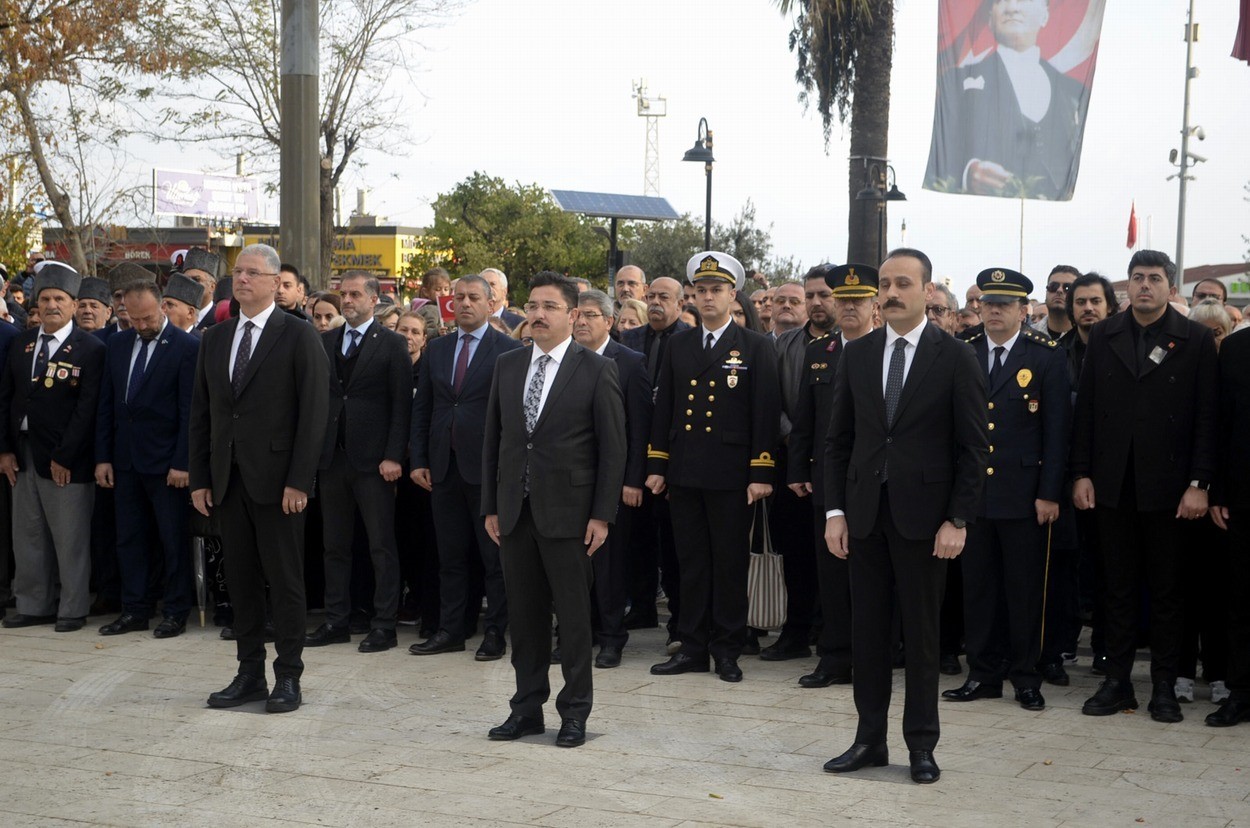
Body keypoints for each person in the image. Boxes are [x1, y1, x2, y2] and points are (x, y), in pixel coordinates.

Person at [822, 247, 988, 785]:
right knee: (866, 635)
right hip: (865, 516)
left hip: (926, 521)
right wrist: (835, 511)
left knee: (920, 638)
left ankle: (921, 744)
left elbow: (974, 448)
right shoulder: (859, 353)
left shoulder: (956, 356)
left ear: (927, 291)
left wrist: (957, 519)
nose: (890, 293)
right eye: (885, 284)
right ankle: (869, 739)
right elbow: (838, 442)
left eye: (903, 284)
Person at [1071, 249, 1219, 723]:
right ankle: (1116, 683)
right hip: (1113, 483)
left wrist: (1199, 483)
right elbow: (1087, 411)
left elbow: (1206, 418)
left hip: (1171, 488)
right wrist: (1081, 473)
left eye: (1155, 278)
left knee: (1168, 588)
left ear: (1171, 288)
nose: (1145, 286)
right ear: (1127, 286)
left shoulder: (1193, 339)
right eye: (1137, 278)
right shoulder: (1104, 336)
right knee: (1116, 586)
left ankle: (1163, 686)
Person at [482, 272, 626, 748]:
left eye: (549, 306)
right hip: (515, 512)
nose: (538, 314)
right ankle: (525, 709)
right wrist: (491, 506)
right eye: (532, 305)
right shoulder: (507, 365)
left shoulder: (596, 368)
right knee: (523, 619)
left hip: (570, 514)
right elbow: (495, 442)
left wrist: (602, 514)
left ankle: (575, 712)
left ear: (573, 314)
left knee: (574, 618)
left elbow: (613, 448)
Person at [190, 244, 329, 714]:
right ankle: (248, 672)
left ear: (275, 281)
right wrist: (201, 478)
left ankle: (288, 675)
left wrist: (300, 480)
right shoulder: (215, 338)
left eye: (252, 273)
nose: (242, 279)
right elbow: (203, 414)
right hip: (228, 481)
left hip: (278, 483)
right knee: (242, 581)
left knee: (285, 580)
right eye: (238, 272)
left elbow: (313, 414)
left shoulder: (298, 335)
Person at [646, 251, 781, 684]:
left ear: (732, 294)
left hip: (731, 473)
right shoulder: (678, 343)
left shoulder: (755, 346)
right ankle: (691, 647)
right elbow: (664, 406)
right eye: (700, 290)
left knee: (728, 563)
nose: (707, 297)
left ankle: (727, 648)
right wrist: (657, 464)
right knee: (691, 563)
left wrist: (761, 471)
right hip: (685, 468)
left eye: (716, 290)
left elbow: (765, 412)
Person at [942, 268, 1068, 712]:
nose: (993, 310)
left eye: (1005, 304)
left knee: (1023, 589)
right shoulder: (965, 352)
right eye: (988, 303)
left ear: (1023, 310)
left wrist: (1049, 492)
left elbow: (1057, 433)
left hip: (1024, 494)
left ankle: (1025, 676)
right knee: (977, 589)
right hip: (974, 495)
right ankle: (982, 673)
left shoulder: (1046, 357)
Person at [409, 274, 522, 659]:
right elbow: (423, 407)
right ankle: (451, 630)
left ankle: (495, 633)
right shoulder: (437, 349)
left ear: (492, 304)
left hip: (489, 471)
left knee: (494, 558)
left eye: (474, 297)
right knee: (450, 555)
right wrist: (419, 459)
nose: (466, 303)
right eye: (459, 297)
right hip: (443, 467)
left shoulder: (509, 350)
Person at [306, 272, 412, 653]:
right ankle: (336, 619)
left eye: (354, 294)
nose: (347, 300)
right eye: (343, 294)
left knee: (381, 545)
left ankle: (384, 624)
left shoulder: (392, 344)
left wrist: (393, 455)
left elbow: (402, 405)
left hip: (374, 462)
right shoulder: (326, 340)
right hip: (332, 458)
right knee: (334, 544)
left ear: (373, 299)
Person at [0, 263, 106, 632]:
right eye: (44, 298)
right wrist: (5, 449)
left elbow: (87, 409)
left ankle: (72, 608)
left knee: (70, 537)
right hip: (23, 453)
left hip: (66, 459)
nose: (51, 305)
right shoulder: (21, 343)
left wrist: (65, 455)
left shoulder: (90, 348)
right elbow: (7, 398)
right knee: (27, 535)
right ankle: (34, 603)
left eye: (59, 298)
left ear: (74, 305)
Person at [787, 263, 878, 688]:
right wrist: (797, 468)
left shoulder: (886, 351)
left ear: (875, 304)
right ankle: (835, 656)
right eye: (843, 300)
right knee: (832, 573)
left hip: (877, 480)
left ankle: (877, 654)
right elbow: (805, 419)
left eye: (857, 301)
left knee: (875, 575)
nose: (848, 308)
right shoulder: (818, 352)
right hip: (829, 479)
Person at [94, 280, 199, 639]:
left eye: (148, 317)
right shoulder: (118, 344)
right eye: (133, 319)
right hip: (125, 462)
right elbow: (108, 404)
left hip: (167, 464)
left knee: (171, 540)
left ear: (163, 308)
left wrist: (183, 462)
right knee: (129, 539)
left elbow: (190, 412)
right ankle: (135, 610)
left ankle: (174, 611)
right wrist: (103, 457)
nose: (141, 325)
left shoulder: (187, 347)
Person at [925, 0, 1086, 200]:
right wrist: (967, 173)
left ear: (1045, 15)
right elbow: (943, 147)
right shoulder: (957, 83)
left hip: (1051, 217)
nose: (1012, 8)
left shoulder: (1071, 92)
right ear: (990, 19)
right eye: (1001, 1)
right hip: (981, 213)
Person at [572, 289, 651, 667]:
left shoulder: (630, 362)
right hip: (570, 479)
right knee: (574, 562)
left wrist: (633, 480)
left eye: (591, 315)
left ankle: (611, 637)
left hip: (614, 481)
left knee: (609, 563)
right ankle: (576, 634)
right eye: (578, 314)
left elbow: (639, 427)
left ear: (609, 321)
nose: (582, 321)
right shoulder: (564, 358)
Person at [766, 265, 840, 661]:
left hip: (838, 467)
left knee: (834, 554)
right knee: (795, 552)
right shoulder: (784, 344)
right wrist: (794, 436)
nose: (815, 303)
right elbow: (770, 399)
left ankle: (830, 632)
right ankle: (794, 632)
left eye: (822, 296)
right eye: (809, 295)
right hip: (792, 464)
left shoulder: (854, 343)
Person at [619, 276, 689, 640]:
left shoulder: (688, 339)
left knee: (672, 543)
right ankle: (642, 607)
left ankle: (678, 619)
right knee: (636, 538)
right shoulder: (630, 339)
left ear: (680, 303)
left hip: (671, 455)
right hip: (634, 449)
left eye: (665, 296)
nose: (657, 302)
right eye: (653, 296)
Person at [1208, 324, 1250, 726]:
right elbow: (1220, 424)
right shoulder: (1236, 347)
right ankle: (1241, 691)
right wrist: (1217, 490)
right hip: (1241, 496)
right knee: (1240, 599)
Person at [183, 249, 222, 331]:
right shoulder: (177, 317)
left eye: (196, 280)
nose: (190, 284)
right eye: (185, 279)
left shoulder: (220, 320)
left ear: (212, 286)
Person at [1042, 265, 1079, 339]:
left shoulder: (1087, 336)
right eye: (1053, 286)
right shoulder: (1025, 334)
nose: (1059, 290)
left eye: (1067, 287)